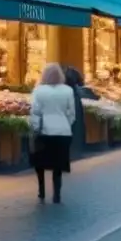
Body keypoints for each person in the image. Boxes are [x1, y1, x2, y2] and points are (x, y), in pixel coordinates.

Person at [29, 63, 76, 204]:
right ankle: (57, 194)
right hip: (63, 132)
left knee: (40, 162)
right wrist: (66, 124)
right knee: (58, 164)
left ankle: (41, 191)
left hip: (44, 131)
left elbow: (35, 112)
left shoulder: (38, 91)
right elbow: (71, 113)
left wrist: (35, 128)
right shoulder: (68, 90)